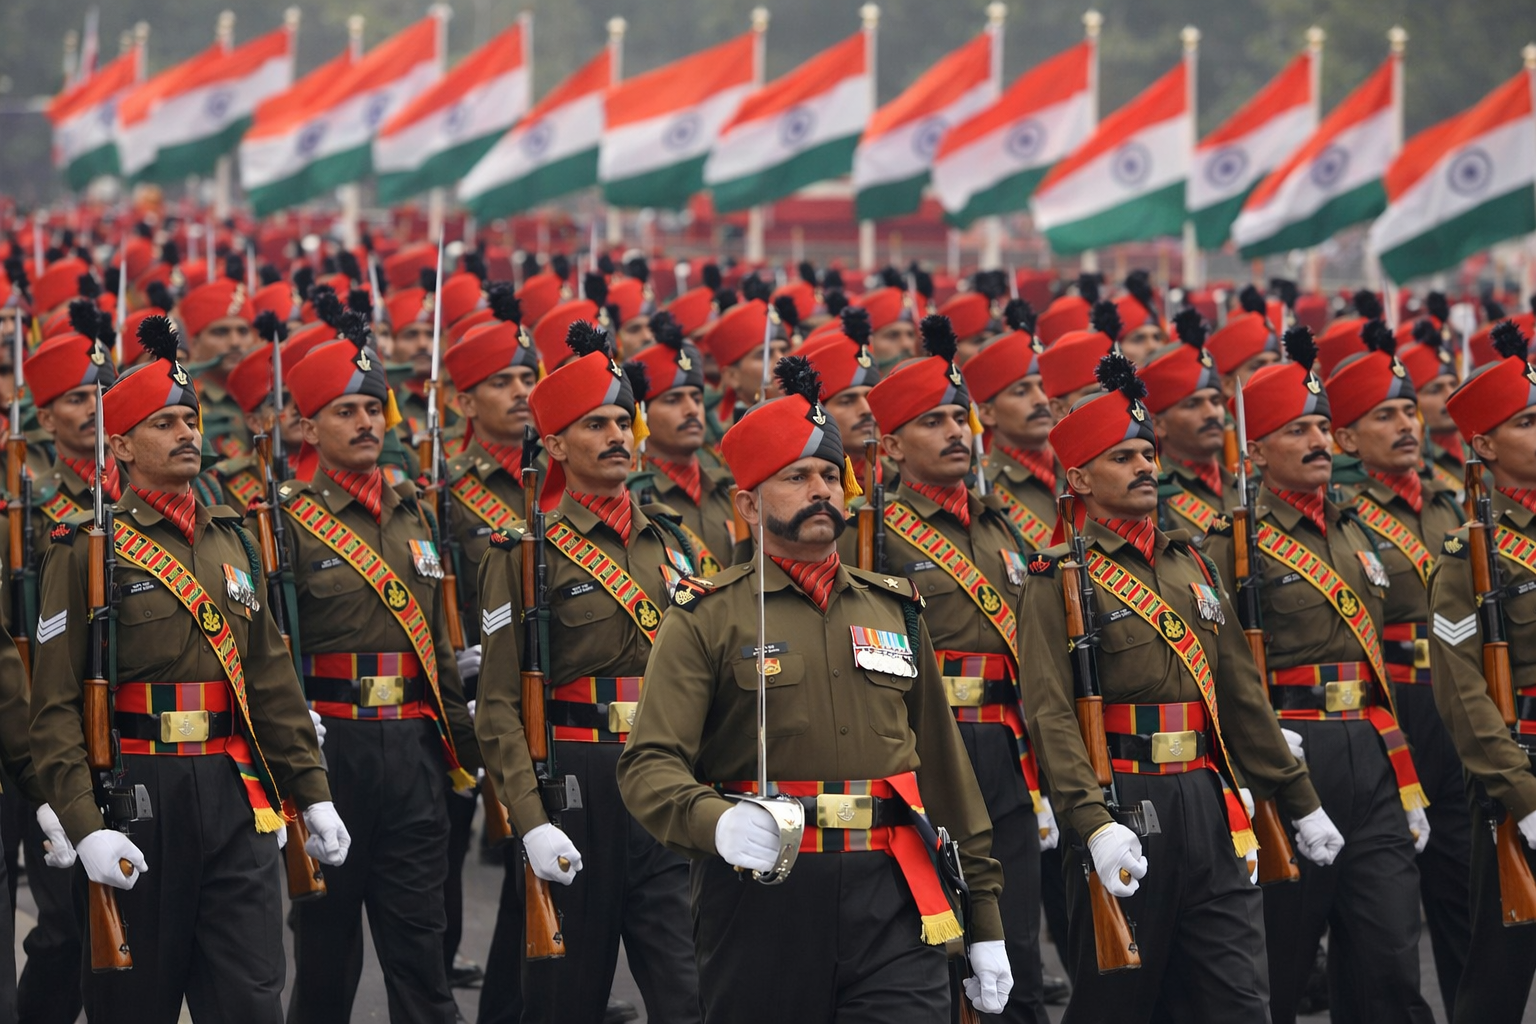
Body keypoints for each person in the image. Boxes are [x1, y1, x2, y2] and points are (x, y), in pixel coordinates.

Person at [616, 353, 1010, 1023]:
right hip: (763, 897)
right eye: (795, 477)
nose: (822, 490)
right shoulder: (708, 615)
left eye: (830, 474)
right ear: (745, 503)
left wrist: (986, 916)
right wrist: (716, 822)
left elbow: (944, 774)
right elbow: (648, 766)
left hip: (894, 899)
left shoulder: (894, 609)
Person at [30, 314, 345, 1024]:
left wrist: (313, 790)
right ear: (121, 444)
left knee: (252, 999)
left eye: (190, 419)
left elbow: (269, 677)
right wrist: (85, 826)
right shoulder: (84, 550)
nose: (187, 434)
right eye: (166, 422)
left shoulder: (229, 536)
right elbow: (53, 709)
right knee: (135, 1002)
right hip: (140, 794)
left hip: (236, 793)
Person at [1019, 352, 1338, 1022]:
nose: (1142, 467)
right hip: (1125, 800)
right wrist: (1091, 823)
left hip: (1207, 797)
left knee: (1238, 999)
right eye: (1120, 457)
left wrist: (1298, 797)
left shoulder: (1188, 560)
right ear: (1077, 476)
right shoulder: (1058, 578)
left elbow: (1239, 692)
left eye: (1144, 452)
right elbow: (1051, 715)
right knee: (1121, 1001)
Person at [1203, 325, 1435, 1024]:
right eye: (1295, 429)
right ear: (1255, 450)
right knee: (1281, 956)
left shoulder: (1356, 530)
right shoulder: (1228, 542)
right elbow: (1215, 665)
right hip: (1288, 754)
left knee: (1390, 955)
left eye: (1320, 427)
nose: (1315, 442)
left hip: (1370, 747)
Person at [475, 321, 702, 1024]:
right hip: (579, 783)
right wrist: (531, 820)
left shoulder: (680, 546)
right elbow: (499, 709)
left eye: (621, 420)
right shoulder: (524, 554)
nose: (616, 435)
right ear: (553, 445)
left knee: (689, 990)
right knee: (564, 998)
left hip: (668, 778)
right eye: (594, 423)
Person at [276, 312, 481, 1024]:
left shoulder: (414, 514)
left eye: (372, 407)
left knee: (421, 953)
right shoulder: (285, 522)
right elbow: (269, 651)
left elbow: (436, 648)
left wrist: (466, 749)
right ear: (308, 429)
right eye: (346, 411)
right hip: (335, 750)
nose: (366, 422)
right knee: (327, 956)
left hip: (415, 750)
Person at [860, 313, 1051, 1022]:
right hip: (923, 748)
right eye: (934, 421)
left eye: (960, 418)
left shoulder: (1001, 527)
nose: (955, 433)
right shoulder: (869, 529)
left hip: (1004, 744)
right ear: (890, 443)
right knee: (933, 945)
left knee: (1015, 951)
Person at [1325, 322, 1472, 1018]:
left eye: (1410, 410)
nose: (1407, 424)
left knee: (1470, 895)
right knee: (1381, 917)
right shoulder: (1343, 516)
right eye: (1384, 414)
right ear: (1345, 439)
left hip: (1459, 704)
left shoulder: (1452, 502)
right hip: (1387, 709)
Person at [1428, 319, 1536, 1023]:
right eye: (1528, 421)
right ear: (1486, 445)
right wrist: (1524, 798)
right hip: (1521, 776)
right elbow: (1464, 697)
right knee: (1497, 983)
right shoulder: (1470, 556)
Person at [624, 311, 736, 573]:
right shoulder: (634, 495)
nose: (691, 410)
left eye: (696, 399)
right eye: (673, 400)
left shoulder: (729, 489)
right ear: (642, 413)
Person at [1141, 308, 1231, 541]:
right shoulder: (1151, 495)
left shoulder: (1248, 484)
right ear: (1158, 424)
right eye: (1193, 404)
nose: (1212, 413)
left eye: (1215, 401)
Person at [176, 275, 256, 457]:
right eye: (221, 332)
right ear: (194, 343)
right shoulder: (183, 400)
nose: (235, 342)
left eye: (243, 331)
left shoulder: (267, 393)